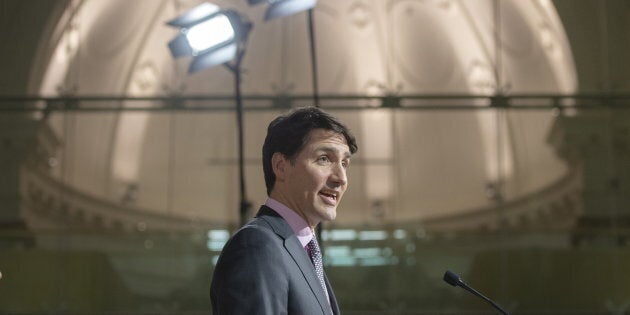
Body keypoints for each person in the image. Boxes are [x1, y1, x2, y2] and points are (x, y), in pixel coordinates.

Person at [210, 106, 358, 315]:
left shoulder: (301, 250)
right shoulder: (256, 246)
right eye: (324, 159)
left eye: (344, 163)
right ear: (280, 166)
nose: (341, 178)